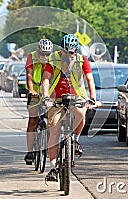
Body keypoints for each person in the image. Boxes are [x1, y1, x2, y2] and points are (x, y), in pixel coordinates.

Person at [41, 34, 96, 182]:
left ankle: (76, 140)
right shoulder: (53, 59)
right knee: (54, 131)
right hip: (56, 98)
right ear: (61, 50)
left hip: (77, 96)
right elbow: (46, 79)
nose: (69, 55)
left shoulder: (81, 60)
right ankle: (53, 167)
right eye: (66, 52)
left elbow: (90, 79)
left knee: (80, 113)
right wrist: (46, 96)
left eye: (72, 52)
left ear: (76, 51)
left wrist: (92, 97)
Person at [23, 39, 54, 165]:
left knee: (53, 118)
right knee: (33, 120)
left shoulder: (54, 59)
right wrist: (31, 90)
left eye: (47, 54)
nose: (45, 56)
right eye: (42, 53)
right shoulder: (31, 56)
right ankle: (30, 152)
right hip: (35, 92)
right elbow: (29, 76)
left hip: (49, 92)